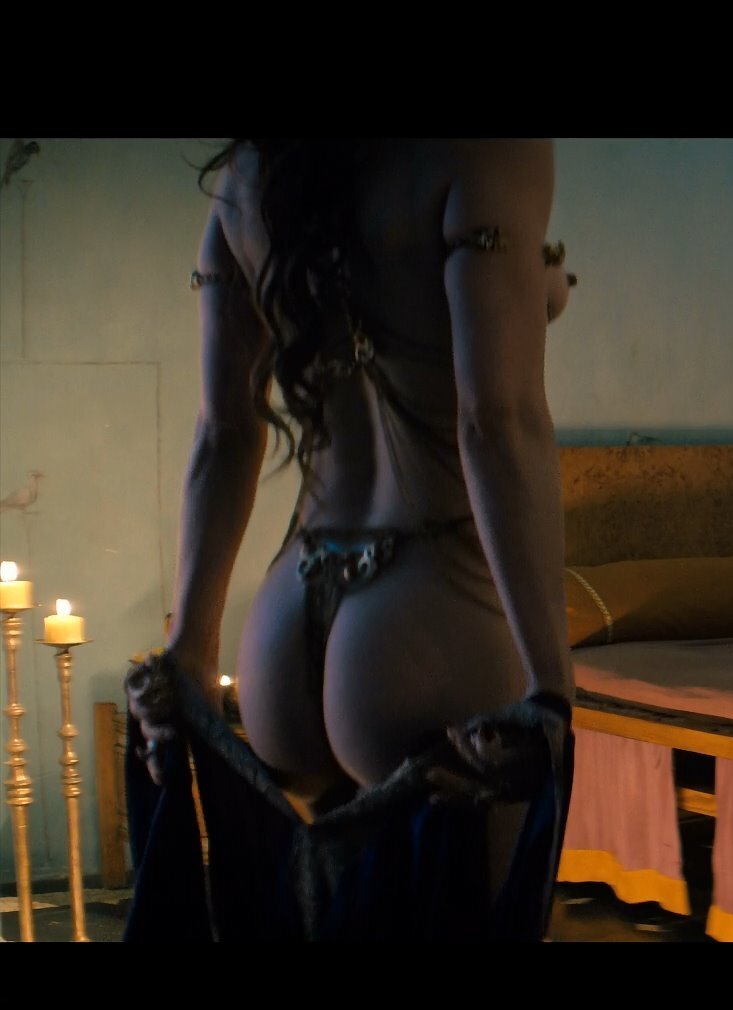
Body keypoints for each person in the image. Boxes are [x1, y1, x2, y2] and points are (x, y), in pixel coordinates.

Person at [122, 139, 577, 941]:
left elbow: (224, 433)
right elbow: (496, 422)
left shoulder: (251, 174)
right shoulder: (484, 149)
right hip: (424, 610)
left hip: (288, 620)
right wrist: (551, 693)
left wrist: (190, 649)